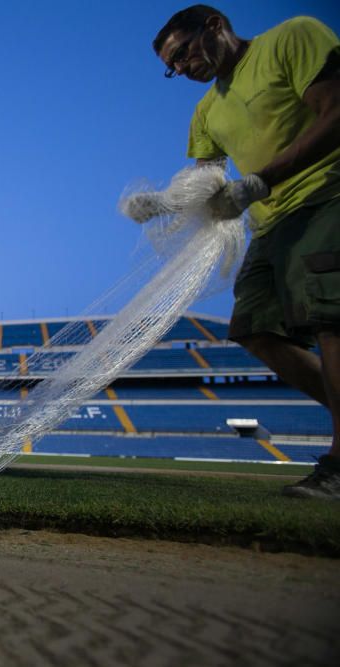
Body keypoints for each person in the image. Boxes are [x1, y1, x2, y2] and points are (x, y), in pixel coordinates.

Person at [133, 6, 340, 499]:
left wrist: (261, 180)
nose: (182, 68)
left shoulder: (291, 38)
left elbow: (336, 108)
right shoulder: (207, 111)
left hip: (328, 194)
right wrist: (166, 200)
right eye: (173, 66)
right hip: (270, 222)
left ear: (214, 25)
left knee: (332, 321)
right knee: (254, 331)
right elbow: (207, 176)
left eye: (182, 53)